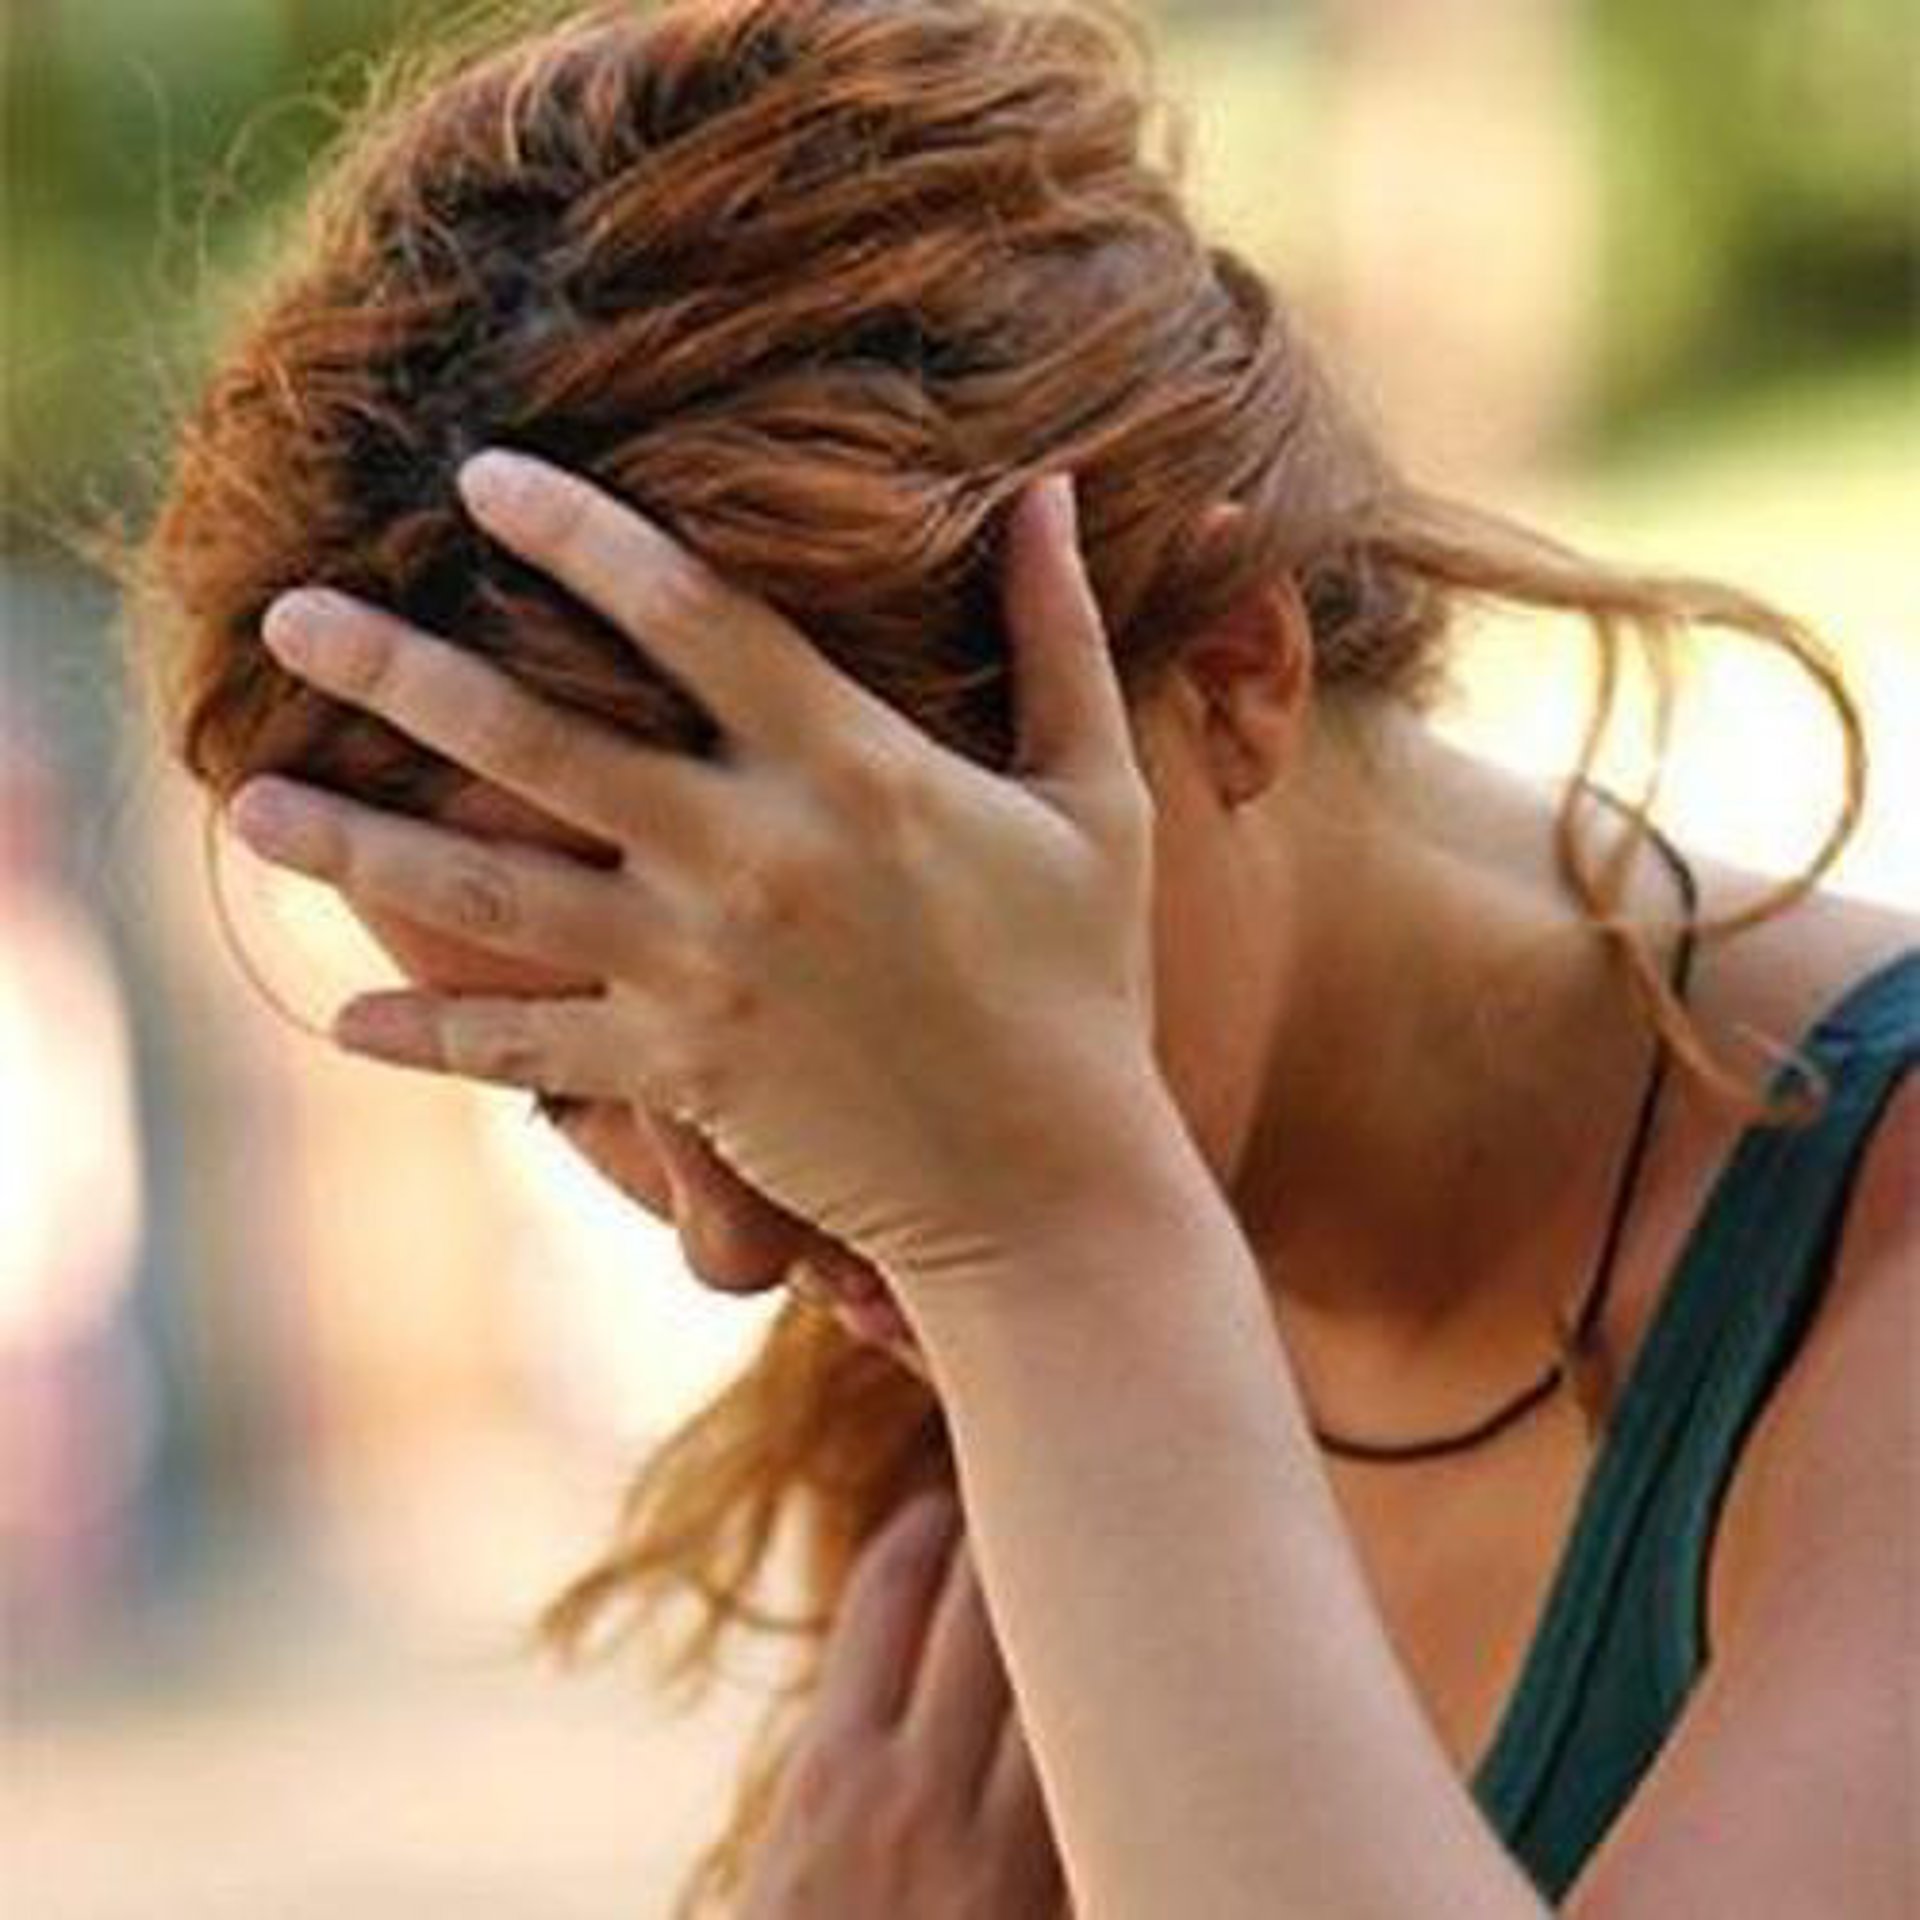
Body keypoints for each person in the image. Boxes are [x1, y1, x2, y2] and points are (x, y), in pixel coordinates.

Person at [124, 2, 1916, 1914]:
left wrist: (1055, 1247)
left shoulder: (1061, 1273)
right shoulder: (988, 1361)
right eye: (588, 1089)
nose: (730, 1244)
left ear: (1230, 667)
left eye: (809, 1009)